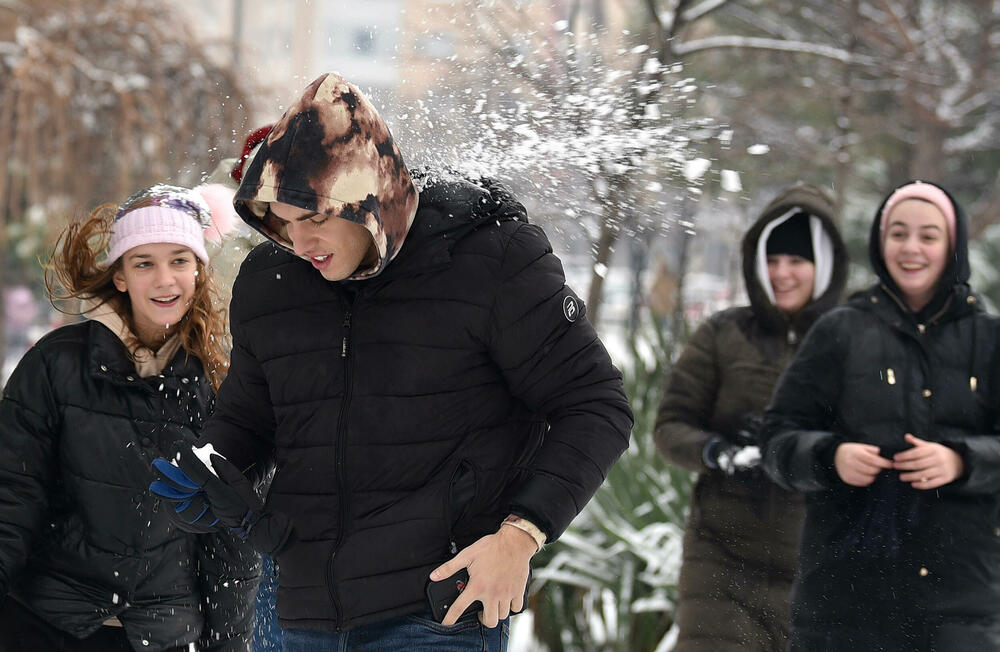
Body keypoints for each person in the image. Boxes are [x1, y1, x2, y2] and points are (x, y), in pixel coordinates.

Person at [149, 71, 633, 651]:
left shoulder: (488, 259)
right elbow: (251, 419)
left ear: (368, 199)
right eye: (284, 222)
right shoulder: (271, 283)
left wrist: (521, 535)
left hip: (437, 612)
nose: (300, 244)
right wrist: (209, 471)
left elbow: (595, 405)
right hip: (297, 611)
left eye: (316, 218)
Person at [0, 184, 256, 651]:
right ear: (119, 276)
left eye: (179, 260)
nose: (165, 279)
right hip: (47, 621)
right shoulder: (58, 364)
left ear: (198, 270)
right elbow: (12, 493)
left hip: (163, 633)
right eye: (144, 263)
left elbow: (231, 543)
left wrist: (229, 643)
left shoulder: (221, 383)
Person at [761, 180, 1000, 651]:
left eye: (928, 236)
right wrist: (830, 457)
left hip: (959, 603)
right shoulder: (838, 330)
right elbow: (776, 439)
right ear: (879, 240)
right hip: (843, 601)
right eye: (898, 233)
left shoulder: (990, 338)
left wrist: (962, 460)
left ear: (953, 246)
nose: (911, 248)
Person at [653, 185, 848, 651]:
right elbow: (670, 426)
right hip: (721, 558)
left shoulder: (853, 341)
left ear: (825, 265)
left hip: (817, 564)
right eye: (772, 259)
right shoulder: (723, 333)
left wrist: (810, 450)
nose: (781, 273)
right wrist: (718, 451)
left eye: (796, 260)